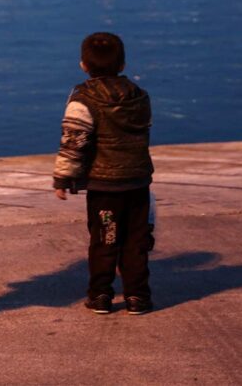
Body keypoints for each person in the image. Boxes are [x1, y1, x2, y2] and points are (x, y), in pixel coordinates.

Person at [53, 32, 155, 315]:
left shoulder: (83, 100)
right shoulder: (140, 96)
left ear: (83, 64)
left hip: (104, 187)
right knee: (136, 241)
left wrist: (63, 178)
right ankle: (138, 296)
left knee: (104, 240)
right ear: (122, 64)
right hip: (137, 183)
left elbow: (73, 143)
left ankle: (100, 294)